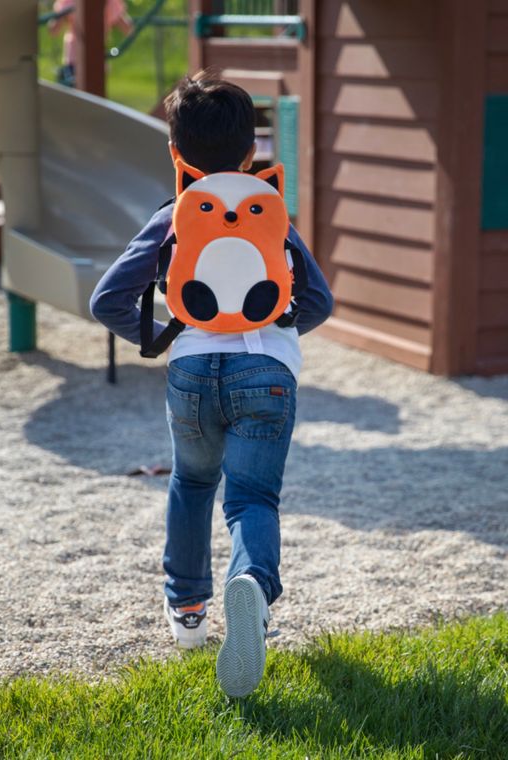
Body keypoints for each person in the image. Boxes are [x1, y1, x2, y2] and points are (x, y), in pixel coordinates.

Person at [90, 74, 333, 698]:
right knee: (253, 498)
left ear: (175, 153)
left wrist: (164, 338)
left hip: (193, 372)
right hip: (266, 374)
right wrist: (278, 328)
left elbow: (107, 299)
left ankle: (190, 614)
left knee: (193, 482)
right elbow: (318, 301)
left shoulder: (175, 215)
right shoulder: (269, 212)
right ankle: (252, 582)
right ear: (251, 154)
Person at [49, 0, 134, 87]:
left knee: (86, 94)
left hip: (84, 58)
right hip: (83, 59)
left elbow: (54, 29)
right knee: (90, 93)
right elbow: (128, 28)